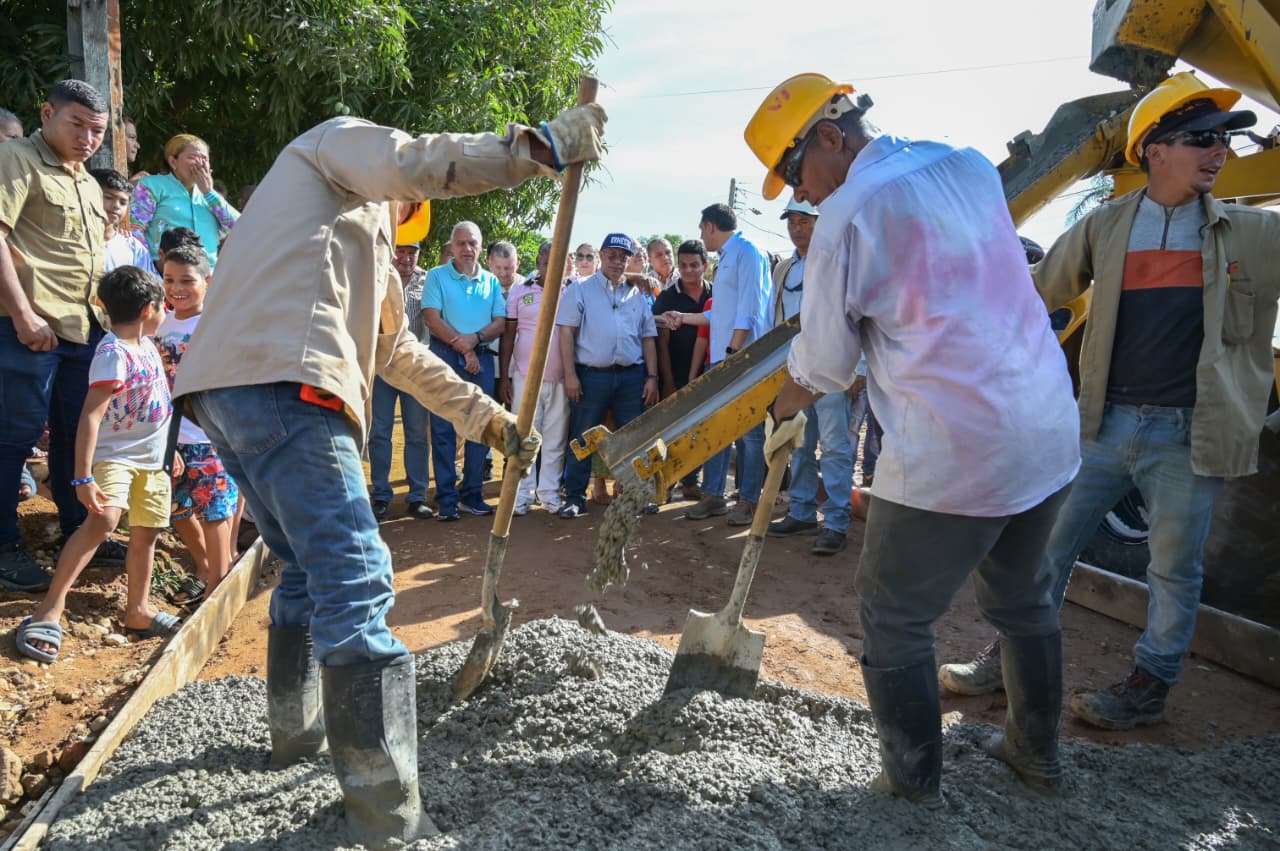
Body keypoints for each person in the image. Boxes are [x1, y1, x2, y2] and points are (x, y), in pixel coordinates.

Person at [173, 104, 601, 847]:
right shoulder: (332, 148)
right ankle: (387, 817)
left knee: (308, 572)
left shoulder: (347, 245)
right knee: (359, 578)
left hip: (226, 394)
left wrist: (488, 420)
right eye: (410, 210)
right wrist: (538, 150)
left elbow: (399, 354)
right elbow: (414, 160)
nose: (407, 213)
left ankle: (295, 738)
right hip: (286, 386)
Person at [746, 73, 1080, 803]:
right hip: (1046, 422)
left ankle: (913, 789)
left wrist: (785, 407)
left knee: (894, 611)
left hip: (956, 443)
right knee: (1025, 600)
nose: (804, 196)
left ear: (831, 137)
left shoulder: (848, 215)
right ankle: (1037, 756)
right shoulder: (963, 162)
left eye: (799, 175)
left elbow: (827, 361)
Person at [938, 72, 1280, 731]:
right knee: (1046, 550)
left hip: (1190, 435)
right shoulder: (1106, 227)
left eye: (1224, 142)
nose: (1220, 153)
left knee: (1174, 571)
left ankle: (1149, 685)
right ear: (1155, 149)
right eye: (1205, 140)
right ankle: (1008, 656)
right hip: (1102, 425)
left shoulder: (1254, 236)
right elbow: (1037, 288)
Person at [0, 79, 131, 591]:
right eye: (76, 124)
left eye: (96, 130)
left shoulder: (86, 181)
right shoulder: (16, 159)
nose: (87, 137)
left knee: (79, 436)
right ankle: (6, 546)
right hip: (28, 331)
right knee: (14, 438)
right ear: (47, 112)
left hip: (85, 330)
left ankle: (78, 530)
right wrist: (24, 315)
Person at [15, 266, 179, 663]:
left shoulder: (147, 345)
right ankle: (50, 608)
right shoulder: (113, 353)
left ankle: (137, 610)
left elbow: (160, 404)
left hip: (152, 460)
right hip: (116, 457)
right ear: (149, 309)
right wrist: (83, 476)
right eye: (163, 304)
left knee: (148, 530)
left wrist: (168, 451)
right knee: (103, 520)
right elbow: (90, 415)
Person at [765, 197, 855, 556]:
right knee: (798, 444)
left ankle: (836, 521)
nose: (796, 227)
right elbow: (777, 319)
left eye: (804, 220)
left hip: (831, 370)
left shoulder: (836, 261)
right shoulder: (785, 269)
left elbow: (854, 314)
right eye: (792, 220)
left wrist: (858, 369)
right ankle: (801, 511)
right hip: (796, 371)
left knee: (834, 447)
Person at [155, 245, 239, 603]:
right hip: (171, 434)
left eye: (187, 281)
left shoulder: (217, 323)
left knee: (214, 510)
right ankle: (205, 566)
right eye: (170, 279)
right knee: (175, 507)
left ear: (208, 281)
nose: (177, 288)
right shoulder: (159, 323)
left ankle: (217, 587)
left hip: (212, 433)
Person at [556, 232, 659, 518]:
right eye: (611, 255)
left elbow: (648, 336)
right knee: (582, 436)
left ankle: (638, 494)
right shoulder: (581, 289)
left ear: (629, 260)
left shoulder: (637, 294)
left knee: (633, 438)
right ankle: (575, 497)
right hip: (591, 376)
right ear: (601, 256)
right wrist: (570, 375)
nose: (617, 262)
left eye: (623, 257)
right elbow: (565, 331)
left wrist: (652, 377)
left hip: (631, 377)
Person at [685, 203, 772, 524]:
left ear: (710, 225)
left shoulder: (747, 252)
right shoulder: (727, 258)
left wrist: (735, 355)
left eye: (700, 229)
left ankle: (749, 500)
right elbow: (720, 313)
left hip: (743, 359)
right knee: (716, 429)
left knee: (749, 434)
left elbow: (750, 309)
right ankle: (713, 496)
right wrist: (683, 317)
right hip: (726, 357)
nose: (700, 236)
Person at [422, 221, 507, 520]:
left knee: (480, 428)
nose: (467, 249)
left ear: (481, 247)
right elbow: (431, 318)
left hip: (481, 359)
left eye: (473, 243)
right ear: (452, 247)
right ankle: (446, 500)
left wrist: (476, 340)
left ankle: (472, 495)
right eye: (461, 243)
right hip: (445, 357)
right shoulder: (436, 276)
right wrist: (464, 347)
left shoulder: (491, 281)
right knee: (444, 430)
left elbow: (500, 322)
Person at [498, 240, 570, 515]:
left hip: (561, 378)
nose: (549, 264)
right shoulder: (520, 291)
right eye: (545, 258)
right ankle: (520, 496)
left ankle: (550, 494)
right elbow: (508, 336)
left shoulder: (573, 291)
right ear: (539, 260)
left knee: (555, 438)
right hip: (525, 376)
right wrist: (505, 377)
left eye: (557, 260)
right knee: (524, 437)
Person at [368, 239, 434, 520]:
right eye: (401, 251)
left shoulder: (429, 281)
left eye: (412, 252)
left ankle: (417, 495)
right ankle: (381, 495)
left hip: (415, 368)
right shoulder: (375, 276)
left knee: (417, 433)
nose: (406, 257)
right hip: (382, 367)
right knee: (379, 433)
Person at [652, 239, 712, 500]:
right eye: (684, 265)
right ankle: (666, 482)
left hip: (707, 373)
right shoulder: (667, 297)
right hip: (675, 374)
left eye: (695, 265)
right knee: (670, 431)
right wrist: (667, 380)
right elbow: (661, 343)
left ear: (705, 266)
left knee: (700, 430)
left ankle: (691, 480)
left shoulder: (715, 295)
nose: (689, 271)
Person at [132, 133, 239, 267]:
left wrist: (208, 191)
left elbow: (239, 227)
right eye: (192, 158)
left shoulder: (210, 196)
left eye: (204, 158)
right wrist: (147, 266)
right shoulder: (152, 185)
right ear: (173, 161)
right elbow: (135, 228)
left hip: (206, 275)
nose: (200, 163)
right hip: (163, 272)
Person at [91, 168, 155, 273]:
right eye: (108, 197)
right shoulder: (73, 241)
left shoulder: (132, 247)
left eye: (123, 202)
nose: (116, 206)